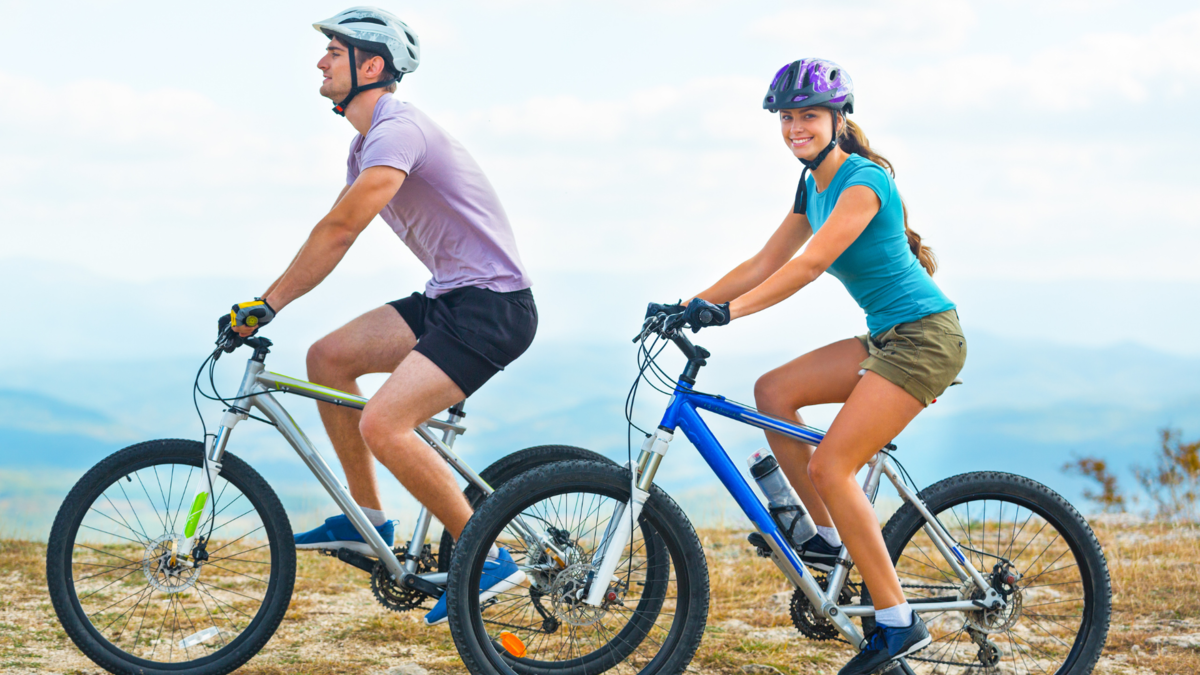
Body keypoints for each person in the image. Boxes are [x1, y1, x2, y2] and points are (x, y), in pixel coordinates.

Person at [222, 6, 535, 625]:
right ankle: (368, 522)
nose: (320, 62)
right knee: (328, 359)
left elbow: (340, 230)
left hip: (492, 307)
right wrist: (274, 301)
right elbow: (335, 235)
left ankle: (489, 556)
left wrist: (269, 302)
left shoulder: (399, 131)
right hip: (450, 298)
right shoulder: (365, 144)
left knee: (385, 425)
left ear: (372, 65)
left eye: (333, 53)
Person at [655, 58, 965, 675]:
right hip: (886, 337)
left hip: (925, 341)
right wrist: (692, 304)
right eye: (788, 117)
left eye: (809, 116)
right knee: (773, 391)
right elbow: (768, 258)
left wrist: (731, 314)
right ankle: (825, 541)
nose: (796, 127)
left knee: (831, 464)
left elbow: (807, 266)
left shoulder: (862, 182)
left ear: (838, 119)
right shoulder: (811, 185)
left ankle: (898, 624)